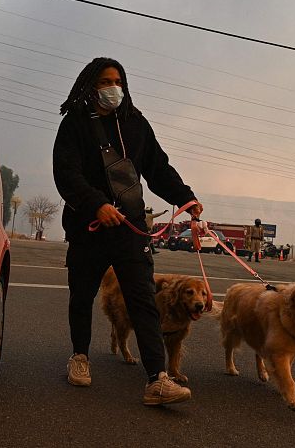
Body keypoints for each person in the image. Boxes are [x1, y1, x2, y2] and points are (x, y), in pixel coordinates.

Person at [53, 57, 203, 406]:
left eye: (117, 81)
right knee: (82, 295)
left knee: (143, 301)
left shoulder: (136, 123)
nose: (113, 88)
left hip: (130, 230)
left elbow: (158, 168)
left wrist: (186, 198)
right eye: (105, 82)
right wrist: (95, 204)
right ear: (91, 86)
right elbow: (66, 173)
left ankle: (157, 378)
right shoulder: (74, 125)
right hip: (87, 228)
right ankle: (79, 356)